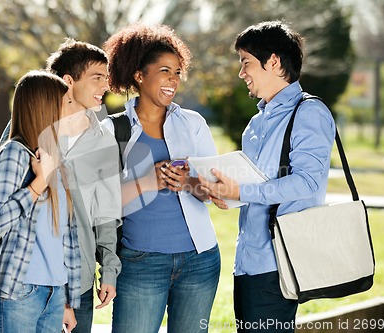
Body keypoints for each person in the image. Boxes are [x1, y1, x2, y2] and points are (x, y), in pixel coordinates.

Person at [198, 21, 336, 332]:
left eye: (246, 63)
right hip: (248, 262)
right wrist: (228, 196)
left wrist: (241, 193)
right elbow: (256, 185)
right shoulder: (256, 123)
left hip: (278, 263)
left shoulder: (309, 113)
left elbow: (307, 183)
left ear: (273, 62)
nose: (241, 73)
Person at [0, 39, 122, 333]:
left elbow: (105, 212)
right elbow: (4, 204)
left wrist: (110, 271)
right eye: (98, 77)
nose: (107, 85)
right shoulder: (27, 129)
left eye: (107, 77)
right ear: (69, 81)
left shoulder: (103, 138)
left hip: (78, 281)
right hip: (27, 280)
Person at [101, 24, 221, 333]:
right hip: (141, 263)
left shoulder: (193, 124)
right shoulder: (111, 131)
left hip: (200, 260)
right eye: (165, 70)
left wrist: (189, 184)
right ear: (140, 76)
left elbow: (214, 191)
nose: (173, 79)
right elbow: (100, 201)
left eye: (178, 72)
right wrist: (149, 181)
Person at [0, 70, 79, 333]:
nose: (74, 108)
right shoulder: (14, 153)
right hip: (18, 292)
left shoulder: (59, 160)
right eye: (68, 102)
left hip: (54, 294)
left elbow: (66, 236)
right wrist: (39, 182)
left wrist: (68, 300)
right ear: (46, 108)